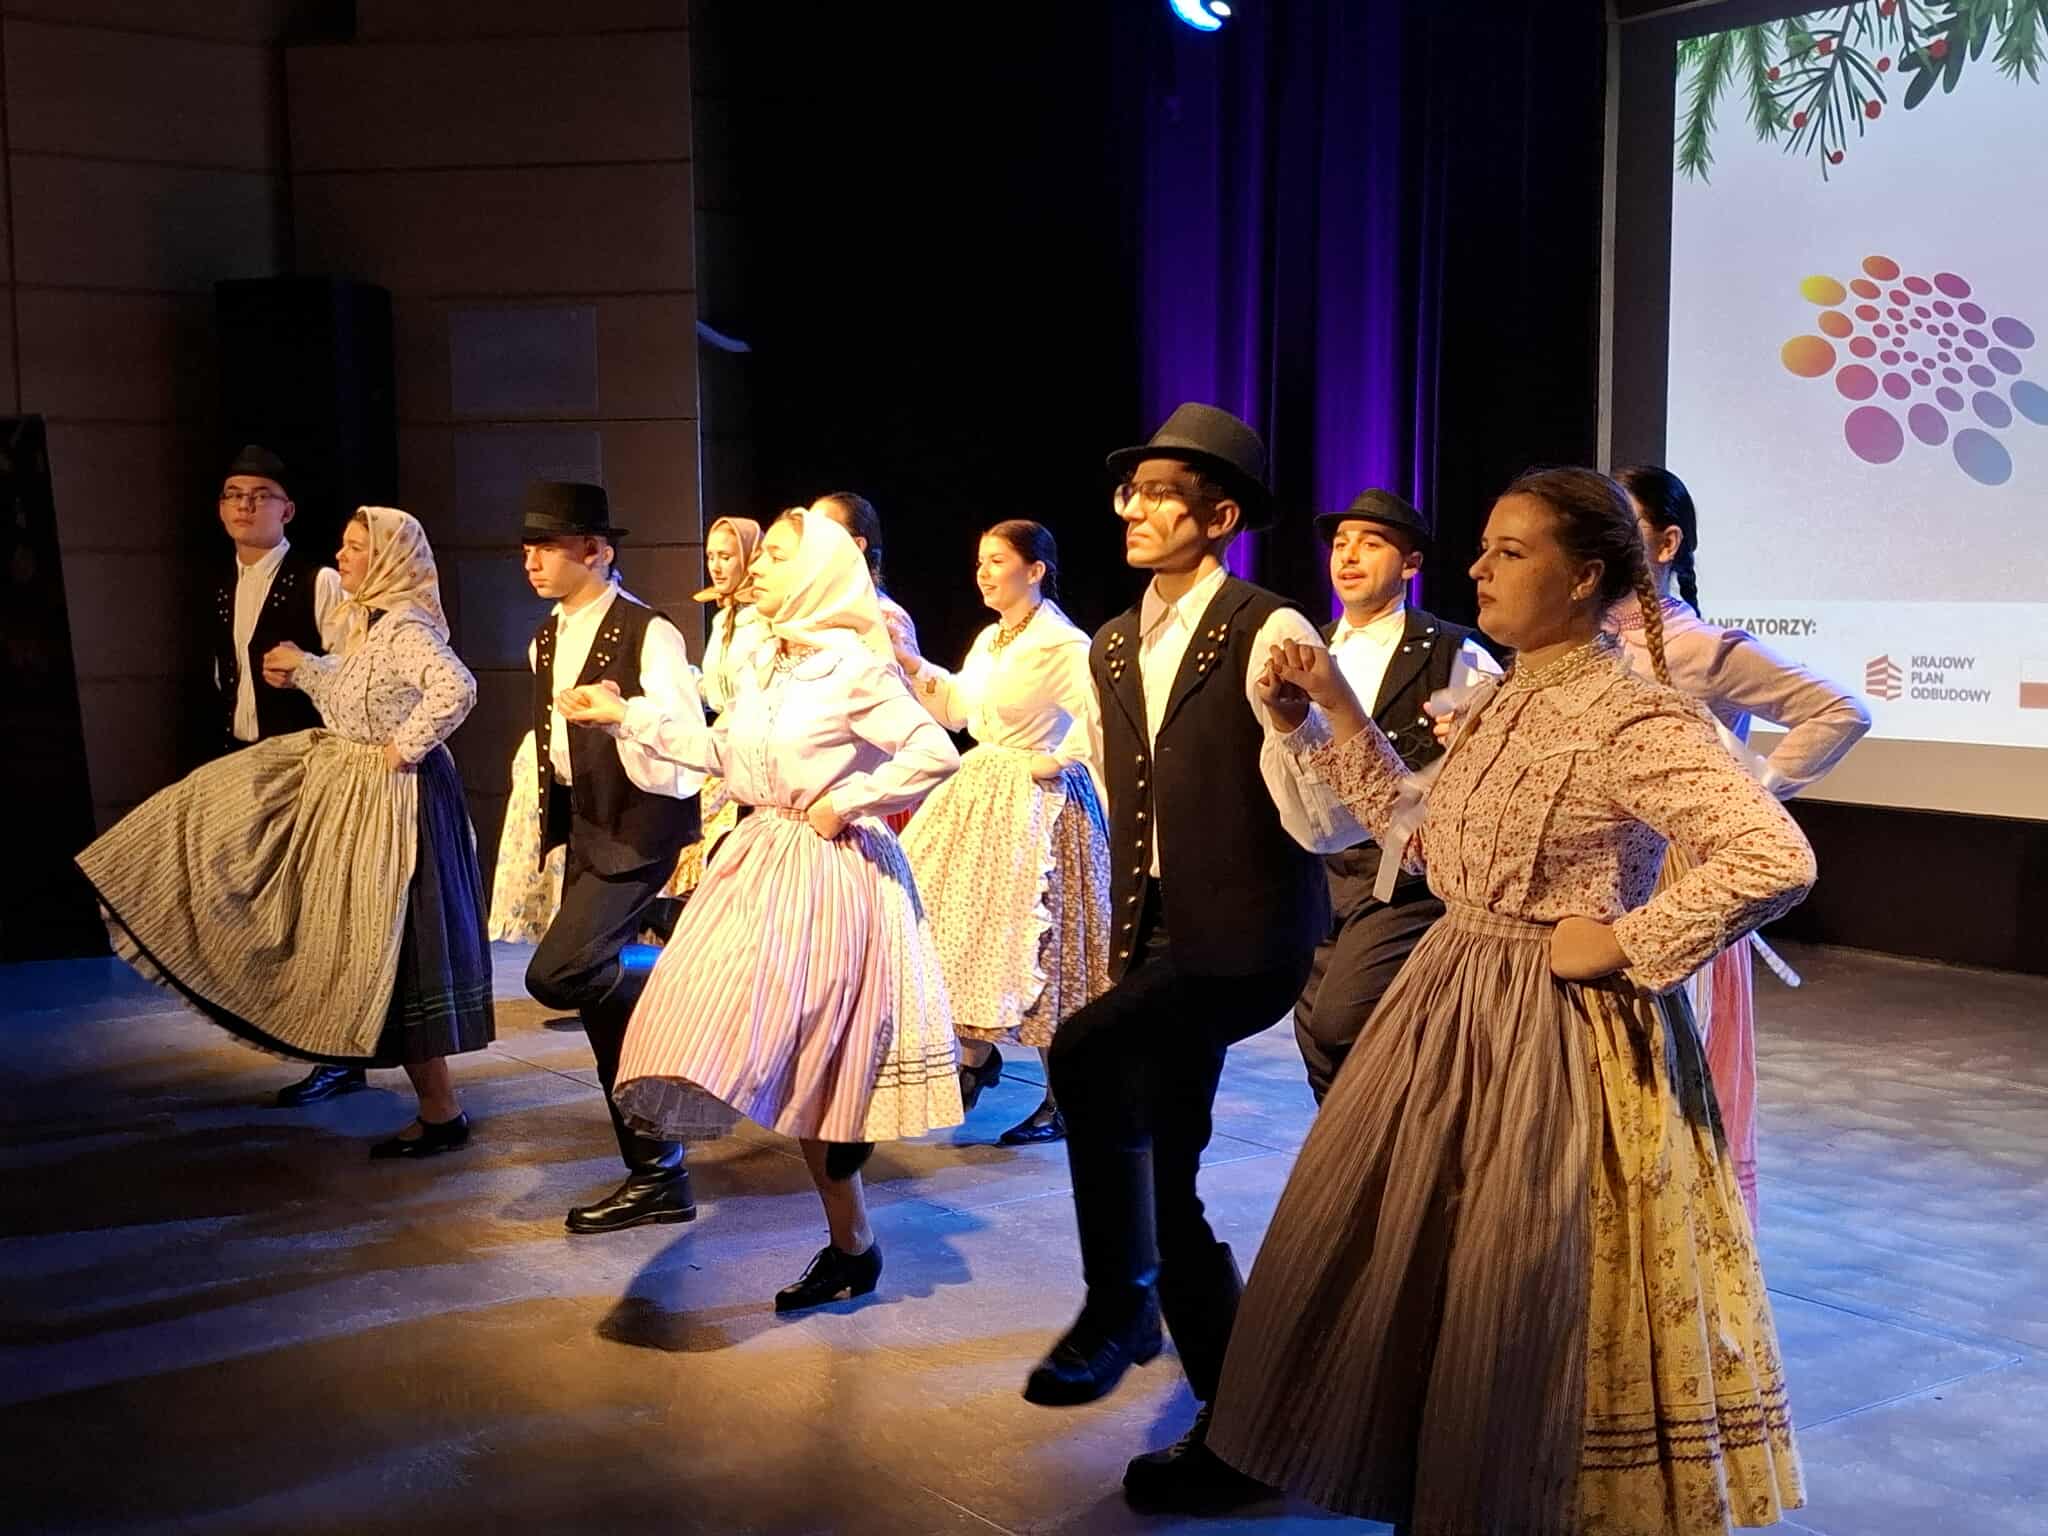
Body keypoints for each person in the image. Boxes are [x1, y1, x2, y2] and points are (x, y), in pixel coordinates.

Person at [1179, 468, 1814, 1532]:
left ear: (1585, 577)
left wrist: (1623, 940)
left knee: (1518, 1289)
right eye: (1482, 548)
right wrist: (1327, 712)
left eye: (1510, 552)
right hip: (1448, 1006)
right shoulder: (1508, 695)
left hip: (1555, 1037)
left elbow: (1772, 856)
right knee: (1416, 1273)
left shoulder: (1633, 717)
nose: (1478, 568)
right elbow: (1424, 839)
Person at [1017, 406, 1354, 1456]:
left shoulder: (1270, 627)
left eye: (1163, 495)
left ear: (1219, 519)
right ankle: (1238, 1425)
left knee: (1083, 1048)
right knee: (1165, 1177)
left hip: (1246, 934)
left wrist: (1299, 726)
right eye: (1133, 492)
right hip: (1155, 931)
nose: (1136, 510)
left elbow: (1332, 808)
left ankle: (1120, 1304)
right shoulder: (1112, 643)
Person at [558, 510, 963, 1310]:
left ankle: (850, 1233)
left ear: (817, 572)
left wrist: (846, 801)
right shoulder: (771, 662)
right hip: (762, 856)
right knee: (709, 1019)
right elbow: (724, 752)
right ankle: (849, 1236)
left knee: (817, 1067)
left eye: (777, 555)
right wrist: (625, 714)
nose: (758, 568)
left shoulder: (854, 667)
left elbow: (935, 752)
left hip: (831, 870)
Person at [79, 507, 493, 1158]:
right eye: (344, 545)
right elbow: (359, 702)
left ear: (388, 560)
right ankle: (386, 1080)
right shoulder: (373, 624)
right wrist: (306, 669)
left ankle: (441, 1113)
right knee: (355, 940)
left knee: (399, 950)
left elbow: (456, 688)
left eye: (356, 548)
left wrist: (403, 748)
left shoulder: (406, 628)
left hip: (397, 807)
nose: (343, 556)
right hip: (360, 796)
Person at [1612, 464, 1869, 1222]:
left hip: (1674, 882)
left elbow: (1839, 710)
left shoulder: (1697, 646)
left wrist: (1750, 793)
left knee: (1668, 1066)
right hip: (1594, 881)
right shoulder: (1579, 644)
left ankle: (1680, 1235)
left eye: (1621, 523)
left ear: (1666, 543)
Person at [517, 482, 708, 1235]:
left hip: (639, 832)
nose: (532, 560)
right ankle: (658, 1173)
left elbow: (684, 746)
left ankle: (659, 972)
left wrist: (623, 716)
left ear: (596, 551)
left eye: (548, 546)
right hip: (589, 829)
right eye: (528, 547)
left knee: (555, 975)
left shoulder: (647, 632)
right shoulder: (546, 636)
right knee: (601, 1015)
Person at [896, 520, 1110, 1145]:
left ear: (1035, 570)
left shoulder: (1062, 645)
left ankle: (1066, 1096)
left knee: (1045, 947)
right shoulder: (992, 638)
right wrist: (914, 664)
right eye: (980, 562)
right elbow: (960, 709)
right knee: (956, 930)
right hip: (981, 794)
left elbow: (1102, 717)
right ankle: (975, 1055)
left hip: (1040, 806)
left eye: (997, 561)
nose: (984, 573)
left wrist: (1060, 759)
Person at [1292, 490, 1499, 1104]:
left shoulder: (1453, 650)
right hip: (1311, 870)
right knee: (1314, 1030)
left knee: (1340, 1019)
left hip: (1396, 873)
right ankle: (1349, 1146)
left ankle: (1387, 1130)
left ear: (1410, 564)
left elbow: (1491, 759)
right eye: (1341, 544)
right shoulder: (1309, 649)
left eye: (1371, 543)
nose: (1349, 556)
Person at [208, 444, 356, 1108]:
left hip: (308, 765)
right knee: (269, 913)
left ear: (287, 510)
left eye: (259, 495)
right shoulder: (223, 584)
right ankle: (313, 1038)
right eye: (233, 494)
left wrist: (307, 670)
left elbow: (356, 673)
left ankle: (336, 1051)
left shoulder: (316, 580)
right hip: (248, 760)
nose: (245, 505)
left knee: (312, 912)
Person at [663, 515, 768, 902]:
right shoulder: (724, 618)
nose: (716, 566)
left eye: (726, 556)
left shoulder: (766, 620)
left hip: (748, 744)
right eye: (711, 556)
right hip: (718, 738)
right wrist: (680, 677)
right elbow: (714, 687)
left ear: (750, 558)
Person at [813, 491, 925, 834]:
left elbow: (904, 708)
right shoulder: (810, 616)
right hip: (817, 772)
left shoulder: (885, 618)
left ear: (856, 544)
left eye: (822, 531)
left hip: (862, 782)